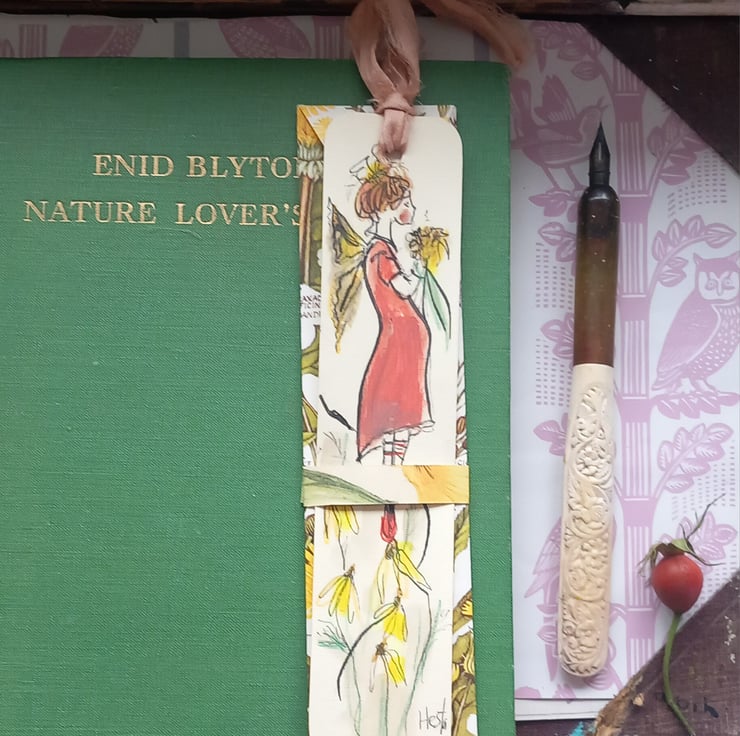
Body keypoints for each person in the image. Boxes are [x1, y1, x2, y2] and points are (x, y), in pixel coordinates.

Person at [353, 158, 433, 464]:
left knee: (401, 410)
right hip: (400, 338)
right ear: (387, 207)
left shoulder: (384, 249)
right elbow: (403, 288)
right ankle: (391, 465)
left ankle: (393, 465)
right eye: (406, 203)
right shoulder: (380, 252)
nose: (411, 208)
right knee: (395, 404)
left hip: (406, 338)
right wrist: (419, 266)